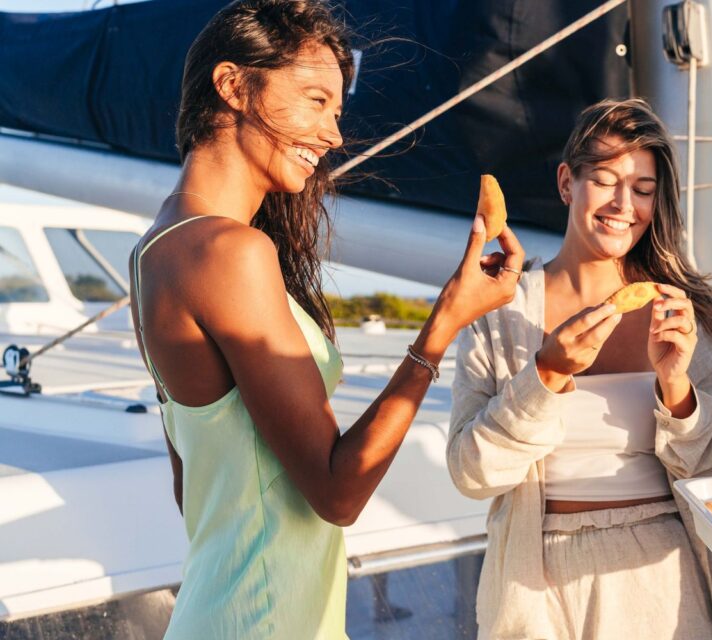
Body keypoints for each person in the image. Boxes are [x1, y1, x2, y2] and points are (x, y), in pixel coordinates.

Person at [129, 1, 523, 637]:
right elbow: (339, 494)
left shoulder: (157, 248)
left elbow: (194, 486)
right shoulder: (228, 254)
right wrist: (444, 321)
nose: (335, 135)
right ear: (232, 85)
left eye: (336, 111)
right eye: (315, 100)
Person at [447, 98, 712, 640]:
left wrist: (677, 388)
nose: (623, 204)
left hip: (666, 589)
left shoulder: (686, 314)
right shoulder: (501, 311)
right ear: (567, 182)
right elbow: (472, 474)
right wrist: (544, 375)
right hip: (536, 594)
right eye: (606, 180)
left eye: (642, 189)